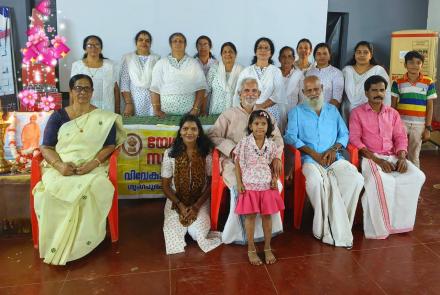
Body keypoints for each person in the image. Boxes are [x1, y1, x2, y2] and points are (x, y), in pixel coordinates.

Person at [33, 74, 126, 265]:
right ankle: (57, 242)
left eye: (86, 88)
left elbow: (109, 147)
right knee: (47, 195)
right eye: (78, 88)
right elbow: (46, 147)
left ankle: (84, 244)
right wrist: (59, 166)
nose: (82, 92)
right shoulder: (58, 116)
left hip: (92, 167)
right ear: (71, 91)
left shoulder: (103, 118)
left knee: (96, 188)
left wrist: (93, 163)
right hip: (61, 167)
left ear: (92, 92)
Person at [284, 76, 363, 248]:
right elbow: (290, 137)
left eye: (316, 89)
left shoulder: (333, 111)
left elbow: (344, 134)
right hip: (309, 160)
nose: (313, 93)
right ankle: (322, 227)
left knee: (356, 179)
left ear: (322, 89)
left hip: (334, 158)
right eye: (309, 90)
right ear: (303, 92)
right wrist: (313, 153)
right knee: (315, 181)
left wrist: (333, 150)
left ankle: (342, 225)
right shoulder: (296, 112)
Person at [208, 77, 284, 245]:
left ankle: (267, 232)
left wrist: (277, 156)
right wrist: (233, 149)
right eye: (247, 90)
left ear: (259, 94)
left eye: (254, 91)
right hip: (234, 161)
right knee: (241, 188)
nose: (250, 94)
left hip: (262, 163)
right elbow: (213, 135)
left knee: (275, 185)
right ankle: (240, 236)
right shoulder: (229, 114)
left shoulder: (266, 115)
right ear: (239, 93)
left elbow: (277, 139)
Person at [349, 75, 425, 239]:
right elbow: (355, 139)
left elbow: (401, 137)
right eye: (374, 90)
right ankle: (380, 227)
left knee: (417, 176)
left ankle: (400, 224)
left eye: (382, 90)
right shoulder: (357, 113)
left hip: (393, 156)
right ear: (366, 93)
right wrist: (378, 161)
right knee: (383, 181)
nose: (378, 93)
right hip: (370, 158)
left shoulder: (393, 113)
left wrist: (403, 157)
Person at [161, 114, 221, 254]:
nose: (189, 132)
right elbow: (165, 186)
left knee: (197, 234)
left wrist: (196, 206)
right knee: (172, 237)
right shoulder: (170, 153)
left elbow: (212, 183)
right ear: (180, 132)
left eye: (193, 129)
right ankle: (181, 224)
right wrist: (181, 206)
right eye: (185, 129)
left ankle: (192, 227)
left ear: (199, 132)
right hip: (176, 201)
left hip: (200, 200)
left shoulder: (206, 153)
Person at [234, 110, 284, 265]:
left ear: (268, 126)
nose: (260, 127)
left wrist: (275, 179)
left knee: (267, 216)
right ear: (250, 125)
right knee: (250, 217)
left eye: (263, 124)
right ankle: (251, 249)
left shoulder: (271, 144)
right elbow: (237, 162)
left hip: (267, 185)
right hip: (249, 185)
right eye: (256, 124)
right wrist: (240, 183)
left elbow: (273, 164)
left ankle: (267, 247)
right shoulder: (244, 143)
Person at [391, 51, 437, 168]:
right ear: (405, 65)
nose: (415, 65)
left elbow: (430, 106)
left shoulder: (428, 82)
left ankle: (415, 181)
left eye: (418, 62)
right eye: (411, 62)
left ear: (422, 65)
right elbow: (393, 106)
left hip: (419, 125)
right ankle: (399, 177)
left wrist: (428, 128)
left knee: (414, 155)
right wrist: (392, 125)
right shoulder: (397, 82)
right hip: (401, 123)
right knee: (398, 151)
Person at [233, 37, 286, 130]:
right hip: (248, 111)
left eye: (266, 48)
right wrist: (249, 109)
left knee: (270, 139)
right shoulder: (246, 71)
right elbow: (238, 92)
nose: (263, 50)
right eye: (260, 47)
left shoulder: (276, 71)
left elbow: (278, 94)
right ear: (255, 51)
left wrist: (260, 107)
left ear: (271, 53)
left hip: (270, 111)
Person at [150, 33, 207, 117]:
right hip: (165, 114)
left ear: (185, 44)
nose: (178, 43)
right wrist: (156, 110)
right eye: (175, 41)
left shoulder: (193, 63)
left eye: (181, 41)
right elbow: (155, 88)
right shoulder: (161, 63)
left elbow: (201, 87)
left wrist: (195, 109)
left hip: (189, 115)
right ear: (170, 44)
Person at [342, 41, 391, 120]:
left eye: (365, 52)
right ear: (354, 55)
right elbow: (342, 94)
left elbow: (386, 94)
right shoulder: (347, 70)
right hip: (348, 113)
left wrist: (383, 114)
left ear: (370, 55)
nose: (362, 55)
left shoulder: (378, 70)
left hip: (372, 112)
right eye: (359, 52)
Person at [71, 35, 120, 113]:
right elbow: (72, 90)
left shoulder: (110, 65)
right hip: (83, 109)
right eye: (90, 45)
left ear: (101, 49)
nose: (93, 48)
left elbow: (116, 90)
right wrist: (72, 111)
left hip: (106, 109)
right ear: (85, 48)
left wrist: (117, 111)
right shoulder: (77, 65)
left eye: (97, 45)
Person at [120, 30, 160, 116]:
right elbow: (124, 83)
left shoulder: (157, 59)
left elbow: (158, 84)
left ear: (151, 43)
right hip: (133, 100)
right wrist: (128, 104)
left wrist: (157, 106)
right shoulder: (128, 58)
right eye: (140, 40)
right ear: (136, 42)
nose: (144, 42)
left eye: (147, 40)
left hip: (152, 101)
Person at [207, 42, 243, 114]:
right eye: (225, 52)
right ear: (221, 55)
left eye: (230, 52)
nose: (228, 54)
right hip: (215, 111)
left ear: (235, 54)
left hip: (236, 113)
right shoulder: (214, 69)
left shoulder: (242, 71)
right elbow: (206, 91)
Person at [306, 43, 344, 108]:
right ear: (314, 56)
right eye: (318, 54)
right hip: (309, 111)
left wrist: (322, 113)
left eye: (325, 53)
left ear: (329, 56)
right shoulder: (309, 72)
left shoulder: (337, 73)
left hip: (327, 113)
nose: (322, 56)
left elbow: (336, 99)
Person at [278, 46, 303, 112]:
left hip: (293, 115)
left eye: (289, 56)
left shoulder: (299, 75)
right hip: (275, 116)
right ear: (279, 59)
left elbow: (302, 99)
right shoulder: (274, 74)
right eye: (283, 56)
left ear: (293, 59)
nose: (286, 59)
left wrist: (295, 115)